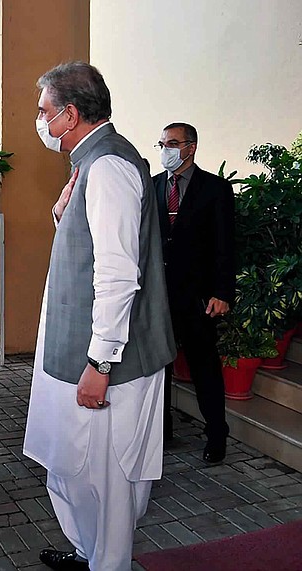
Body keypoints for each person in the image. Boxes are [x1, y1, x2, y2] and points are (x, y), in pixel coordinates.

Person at [22, 62, 175, 571]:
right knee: (73, 469)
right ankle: (91, 555)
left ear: (69, 114)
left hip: (109, 364)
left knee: (105, 479)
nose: (39, 121)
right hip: (82, 353)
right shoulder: (92, 163)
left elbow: (116, 276)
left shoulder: (107, 166)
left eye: (44, 111)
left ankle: (108, 562)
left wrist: (101, 364)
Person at [154, 122, 235, 464]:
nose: (165, 150)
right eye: (161, 143)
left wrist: (222, 291)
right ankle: (161, 431)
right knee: (160, 367)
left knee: (204, 367)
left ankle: (216, 435)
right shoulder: (154, 186)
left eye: (172, 143)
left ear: (191, 147)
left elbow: (225, 244)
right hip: (159, 295)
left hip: (198, 297)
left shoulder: (215, 189)